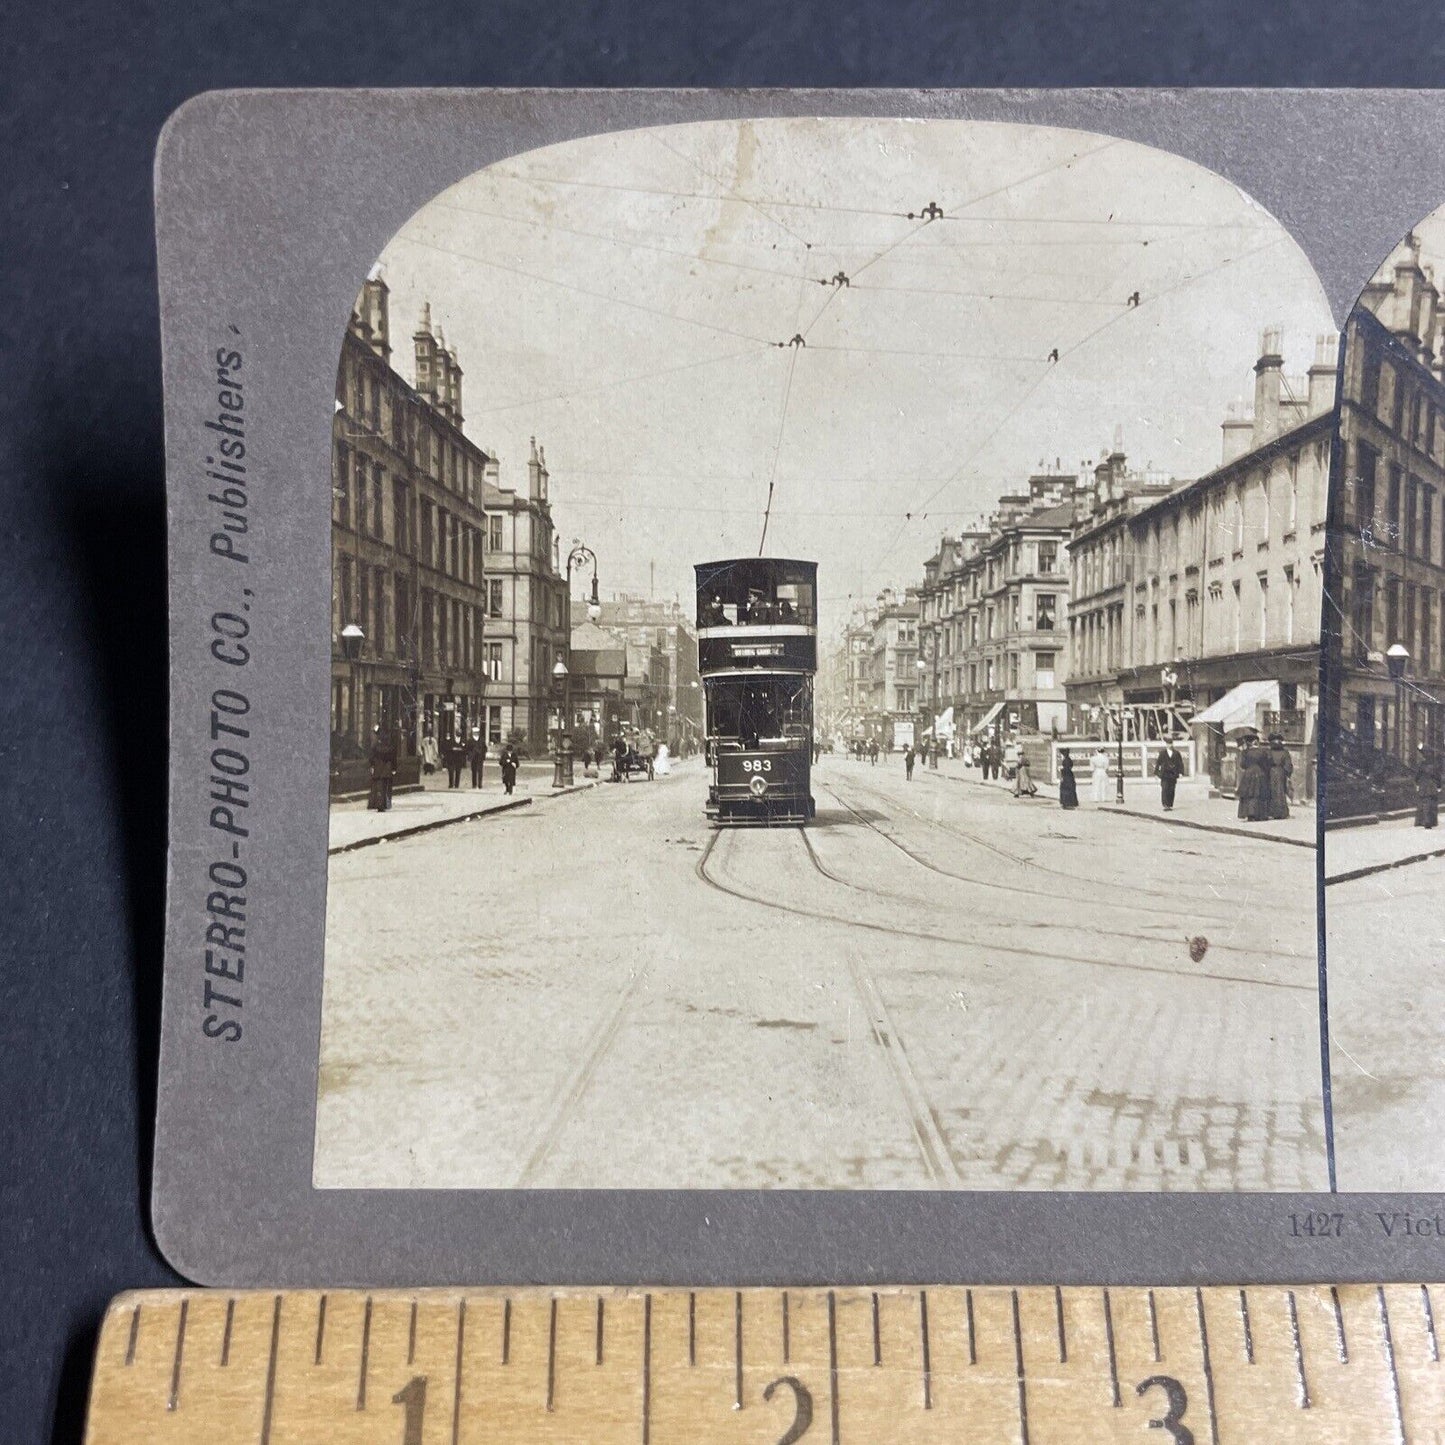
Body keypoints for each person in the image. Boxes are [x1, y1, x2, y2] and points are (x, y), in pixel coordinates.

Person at [1236, 735, 1266, 821]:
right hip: (1259, 773)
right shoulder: (1262, 752)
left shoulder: (1245, 752)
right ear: (1256, 742)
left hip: (1248, 774)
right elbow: (1265, 764)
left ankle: (1248, 814)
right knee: (1258, 793)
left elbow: (1242, 765)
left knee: (1248, 794)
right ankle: (1258, 814)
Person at [367, 724, 395, 812]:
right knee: (385, 786)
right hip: (387, 766)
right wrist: (394, 768)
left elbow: (371, 756)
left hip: (378, 766)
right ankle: (385, 804)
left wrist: (371, 765)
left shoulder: (375, 744)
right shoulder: (389, 743)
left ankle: (376, 803)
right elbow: (393, 756)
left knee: (377, 786)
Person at [1265, 733, 1293, 820]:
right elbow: (1288, 765)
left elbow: (1265, 763)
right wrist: (1287, 773)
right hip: (1281, 773)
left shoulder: (1268, 752)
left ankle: (1271, 812)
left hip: (1270, 772)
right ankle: (1281, 812)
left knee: (1270, 792)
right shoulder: (1285, 752)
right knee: (1280, 792)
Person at [1415, 743, 1441, 829]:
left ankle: (1425, 821)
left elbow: (1417, 776)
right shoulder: (1434, 764)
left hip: (1424, 786)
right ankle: (1430, 821)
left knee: (1424, 804)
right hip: (1432, 786)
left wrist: (1417, 784)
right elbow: (1438, 776)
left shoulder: (1421, 764)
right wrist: (1439, 786)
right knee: (1432, 804)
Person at [1155, 740, 1185, 811]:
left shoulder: (1176, 753)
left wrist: (1181, 772)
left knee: (1171, 789)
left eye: (1170, 744)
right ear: (1166, 745)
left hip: (1173, 774)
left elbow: (1180, 763)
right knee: (1164, 788)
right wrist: (1156, 773)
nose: (1169, 745)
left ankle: (1170, 804)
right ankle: (1165, 805)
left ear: (1172, 744)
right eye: (1168, 744)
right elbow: (1158, 763)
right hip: (1164, 774)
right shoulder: (1162, 753)